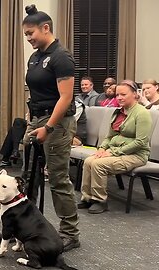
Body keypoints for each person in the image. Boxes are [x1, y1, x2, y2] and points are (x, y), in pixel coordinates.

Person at [22, 4, 80, 251]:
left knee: (57, 179)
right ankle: (28, 226)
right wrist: (31, 116)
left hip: (56, 122)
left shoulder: (61, 56)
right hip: (36, 119)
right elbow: (37, 91)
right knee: (29, 177)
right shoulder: (35, 56)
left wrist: (49, 127)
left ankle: (70, 233)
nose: (28, 39)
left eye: (31, 34)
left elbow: (65, 97)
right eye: (25, 35)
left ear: (46, 28)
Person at [78, 80, 152, 214]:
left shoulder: (141, 113)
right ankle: (88, 198)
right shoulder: (118, 112)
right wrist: (102, 148)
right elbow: (109, 136)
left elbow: (140, 142)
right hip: (116, 151)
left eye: (123, 94)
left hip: (136, 155)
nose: (119, 98)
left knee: (98, 164)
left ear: (135, 94)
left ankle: (100, 200)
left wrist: (114, 152)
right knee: (89, 161)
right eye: (117, 95)